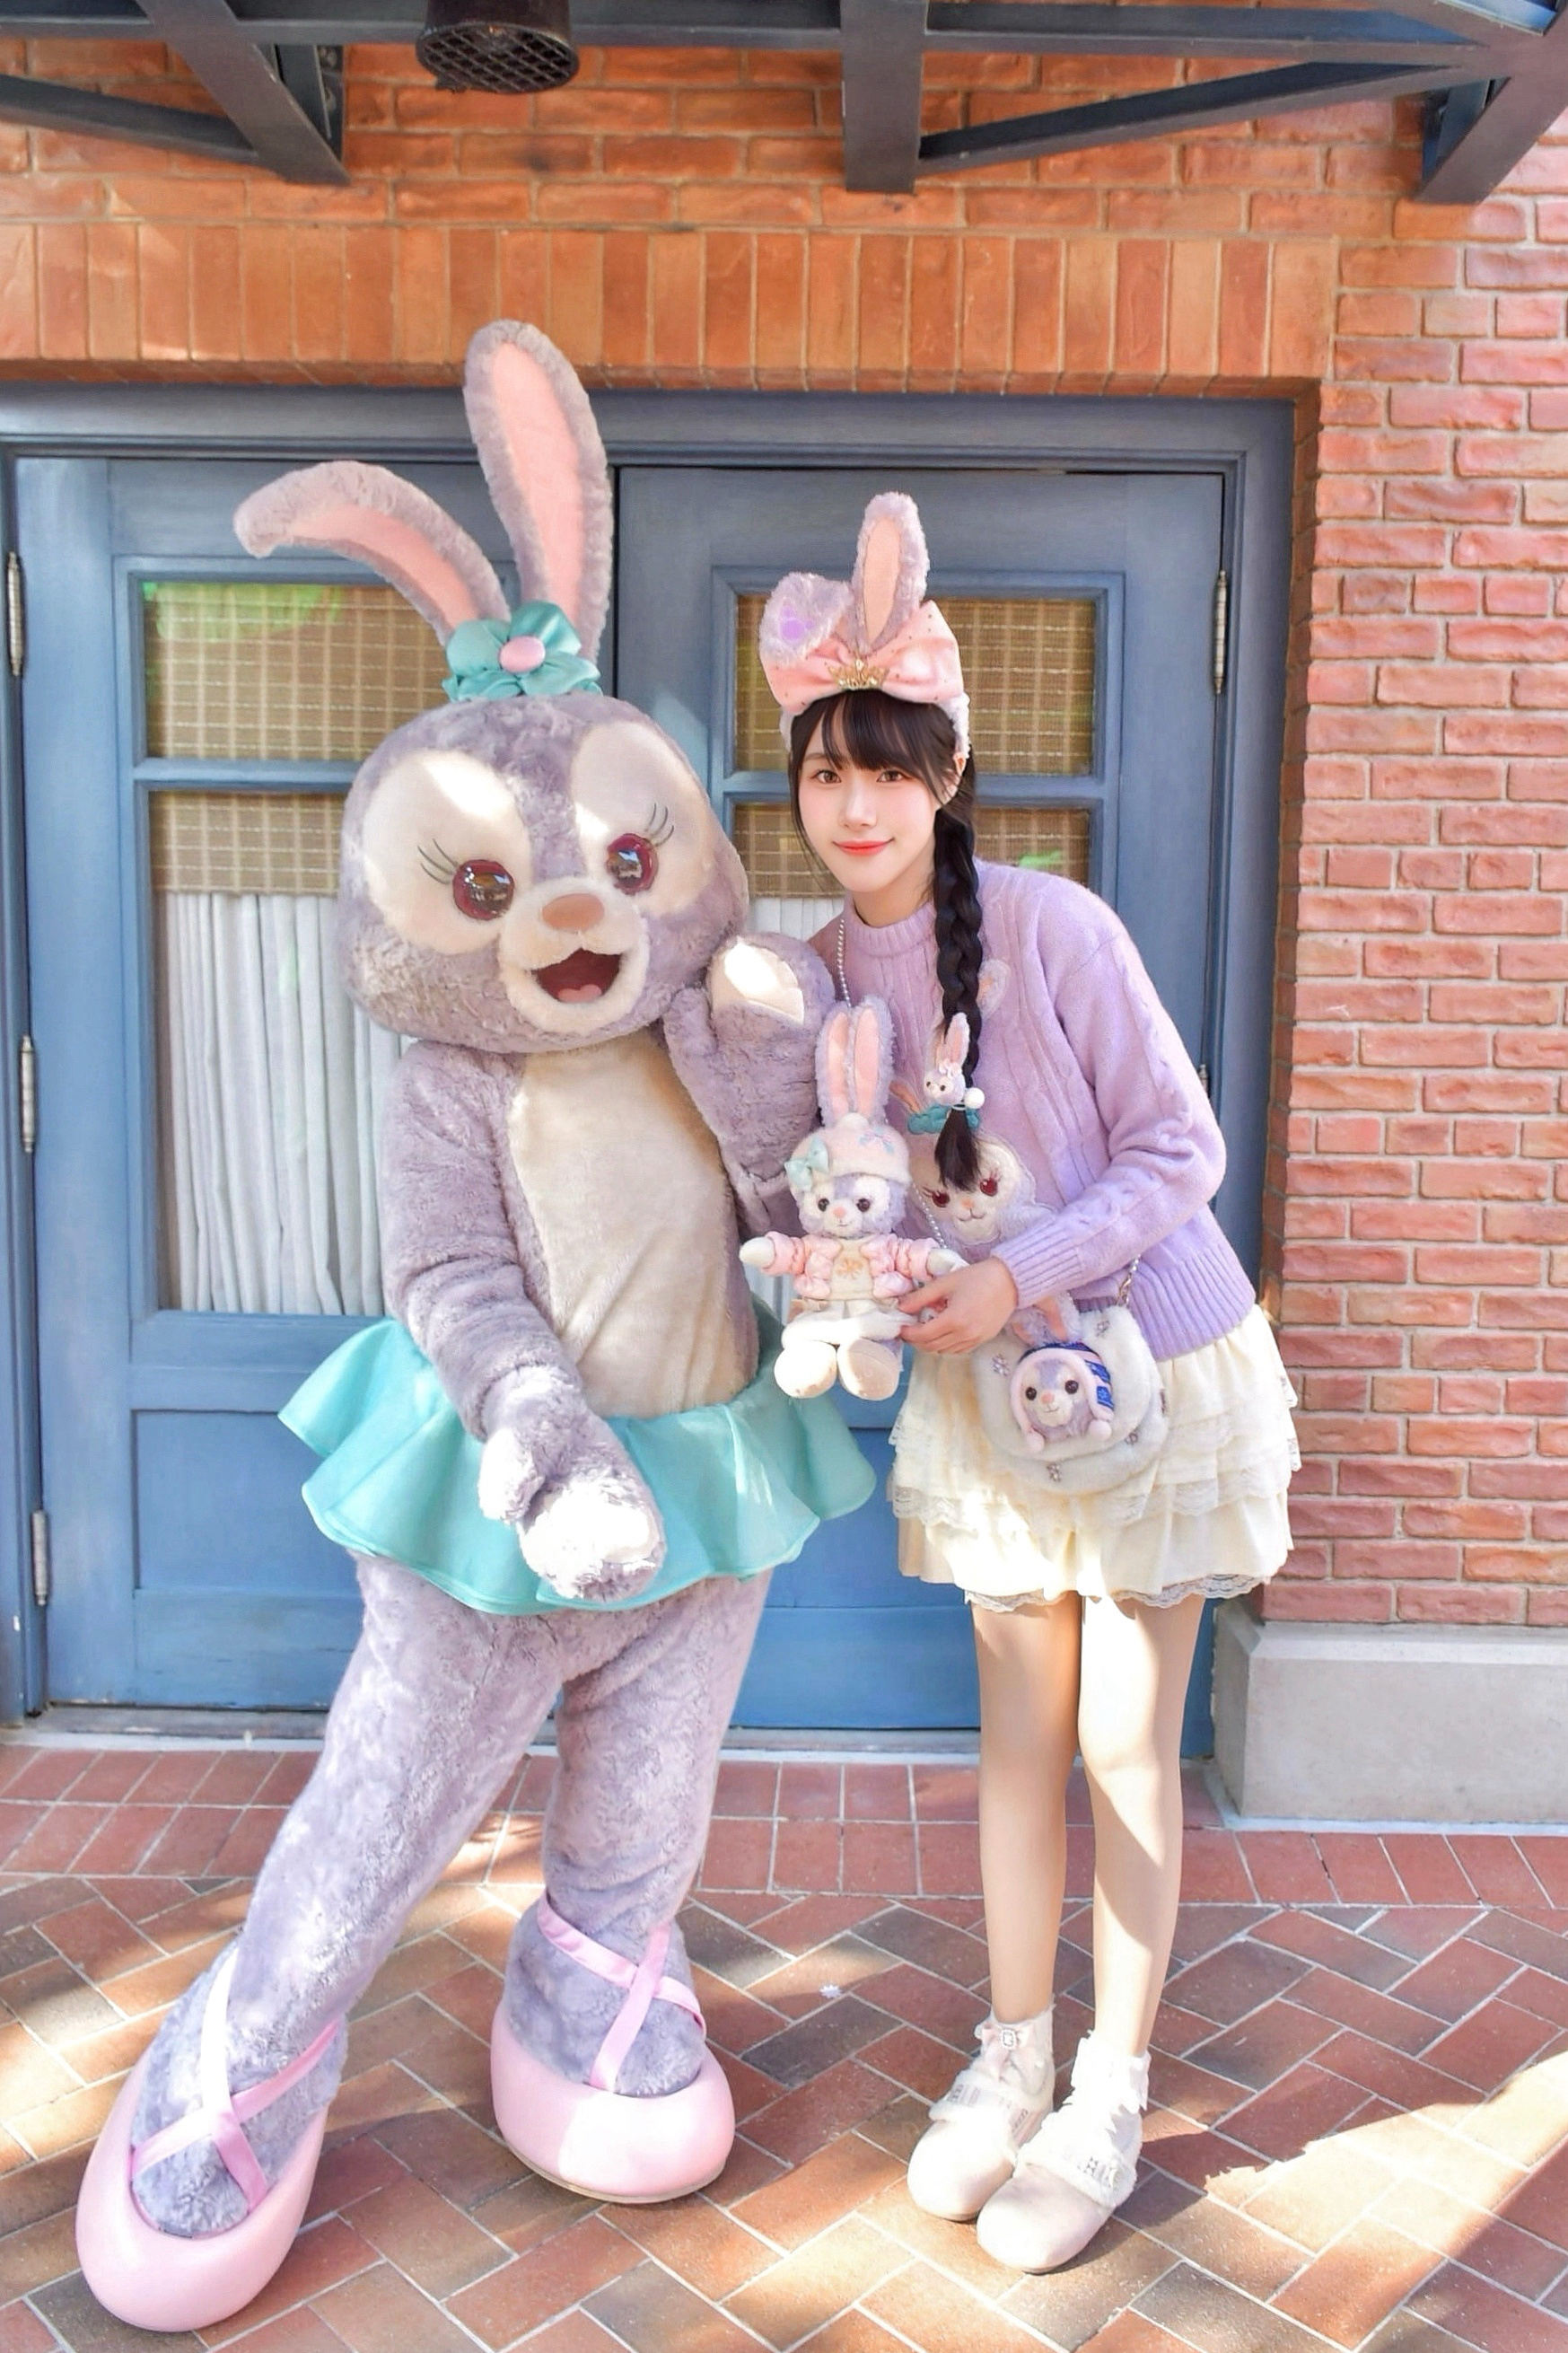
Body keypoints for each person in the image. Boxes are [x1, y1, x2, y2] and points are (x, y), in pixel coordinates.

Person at [758, 491, 1299, 2274]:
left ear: (945, 771)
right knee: (1010, 1744)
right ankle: (1009, 2058)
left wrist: (1010, 1272)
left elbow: (1180, 1153)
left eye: (885, 766)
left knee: (1127, 1745)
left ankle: (1110, 2091)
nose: (855, 803)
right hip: (987, 1403)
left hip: (1153, 1369)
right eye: (825, 770)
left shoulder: (1052, 926)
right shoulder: (813, 980)